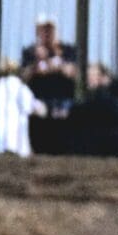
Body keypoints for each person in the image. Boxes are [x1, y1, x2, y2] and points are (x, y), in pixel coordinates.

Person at [19, 14, 81, 154]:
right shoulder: (30, 52)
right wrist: (36, 65)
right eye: (43, 30)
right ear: (38, 32)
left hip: (63, 99)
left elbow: (73, 72)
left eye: (50, 29)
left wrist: (56, 64)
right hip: (39, 99)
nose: (47, 33)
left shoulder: (67, 50)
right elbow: (23, 76)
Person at [68, 62, 118, 158]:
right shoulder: (110, 93)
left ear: (104, 77)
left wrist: (73, 110)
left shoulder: (106, 95)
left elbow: (87, 109)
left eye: (92, 75)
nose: (88, 79)